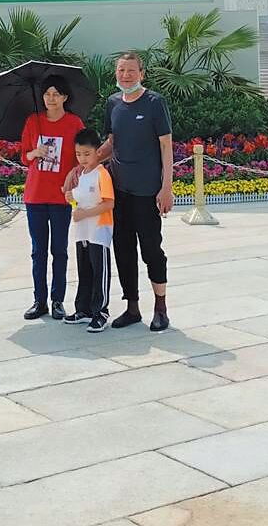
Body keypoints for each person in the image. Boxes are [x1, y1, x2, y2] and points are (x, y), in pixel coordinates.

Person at [67, 52, 173, 331]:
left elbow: (166, 147)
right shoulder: (113, 103)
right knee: (123, 249)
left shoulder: (154, 103)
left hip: (147, 191)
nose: (125, 75)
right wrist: (82, 166)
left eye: (131, 70)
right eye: (121, 70)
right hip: (119, 191)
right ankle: (132, 308)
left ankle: (160, 307)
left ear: (142, 73)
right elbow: (111, 143)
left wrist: (166, 187)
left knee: (151, 250)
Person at [19, 75, 84, 320]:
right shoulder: (32, 121)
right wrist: (35, 152)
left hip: (60, 197)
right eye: (47, 94)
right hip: (35, 195)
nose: (51, 98)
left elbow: (81, 158)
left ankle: (58, 300)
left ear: (65, 97)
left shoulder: (74, 123)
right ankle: (39, 300)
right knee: (38, 251)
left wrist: (75, 178)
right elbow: (24, 157)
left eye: (56, 94)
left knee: (60, 250)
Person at [64, 127, 114, 333]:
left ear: (97, 152)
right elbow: (79, 199)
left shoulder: (102, 174)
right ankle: (82, 309)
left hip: (99, 230)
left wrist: (85, 214)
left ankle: (100, 312)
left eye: (87, 154)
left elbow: (108, 204)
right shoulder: (81, 175)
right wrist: (71, 198)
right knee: (84, 270)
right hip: (83, 232)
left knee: (99, 271)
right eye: (78, 154)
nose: (82, 158)